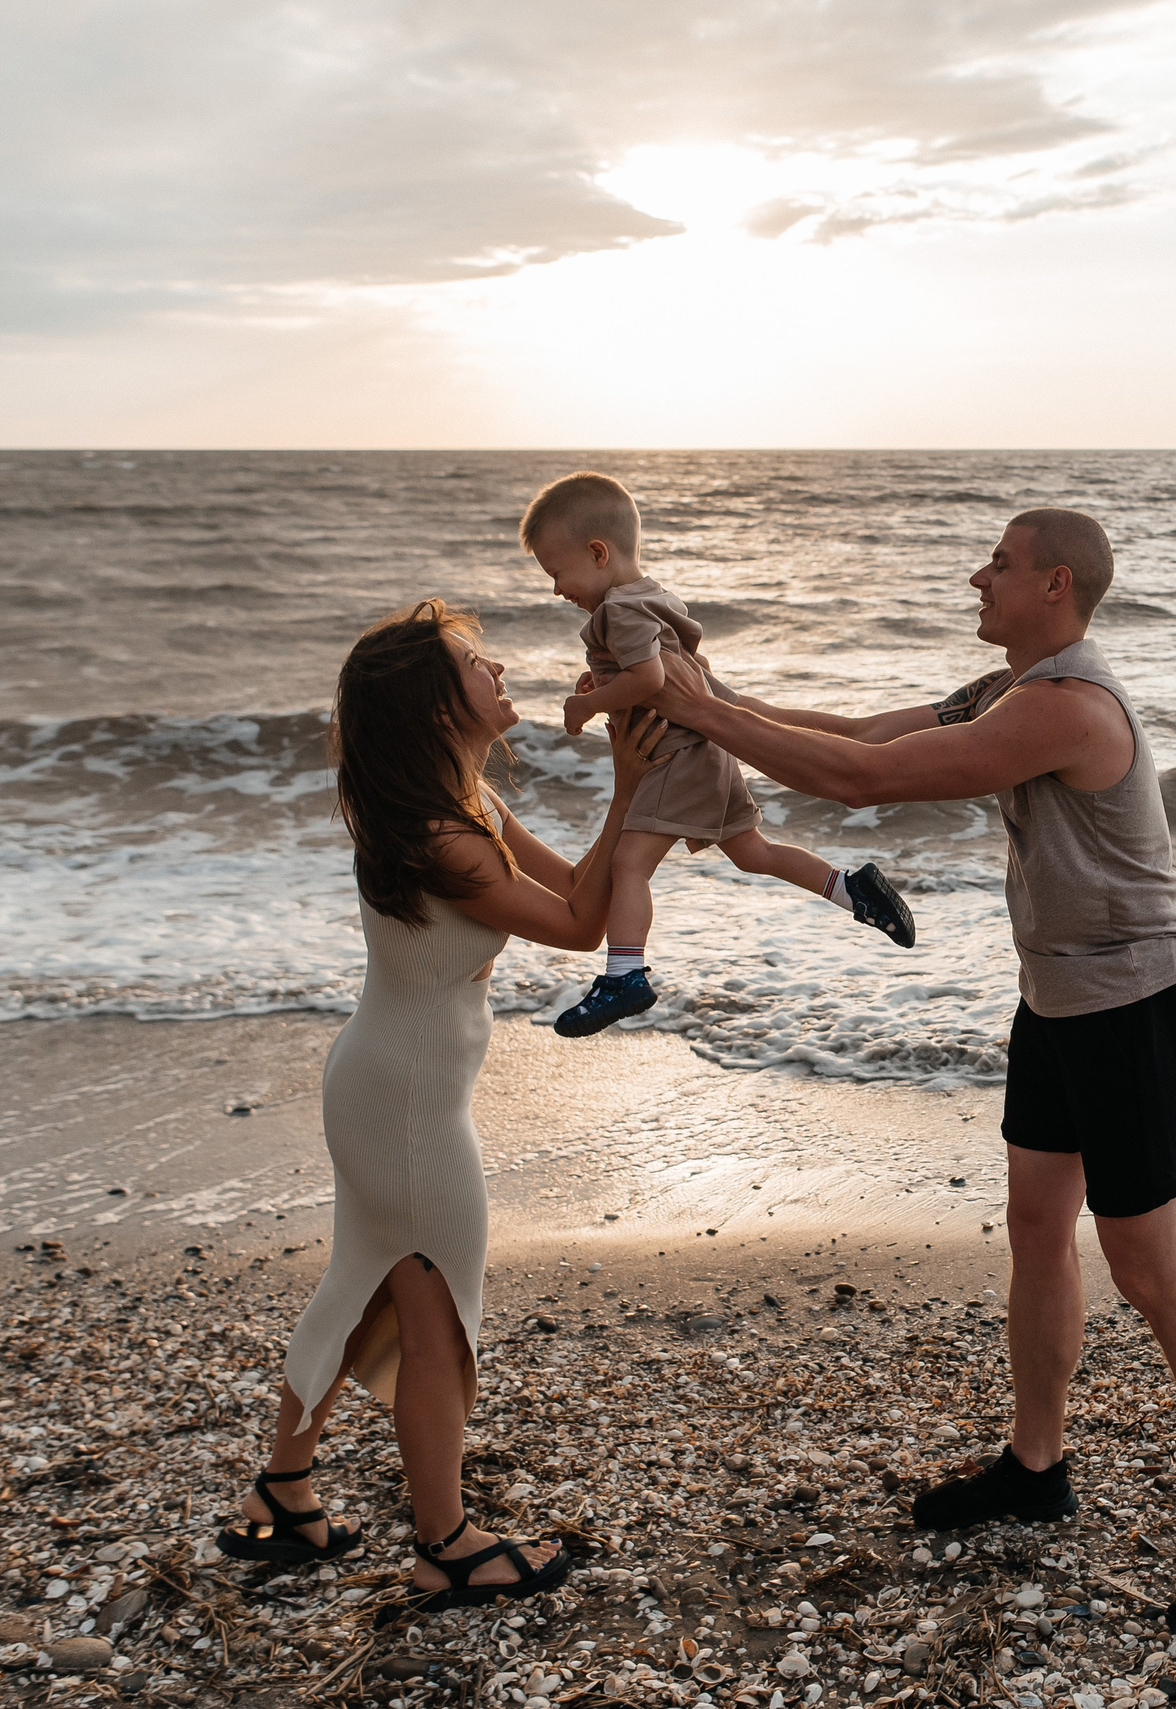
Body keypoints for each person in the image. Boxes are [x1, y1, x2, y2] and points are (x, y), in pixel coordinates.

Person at [649, 509, 1176, 1638]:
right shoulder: (1003, 690)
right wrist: (717, 696)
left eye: (997, 564)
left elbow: (864, 783)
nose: (977, 575)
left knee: (1152, 1273)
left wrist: (699, 711)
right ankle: (1036, 1463)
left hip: (1129, 999)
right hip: (1055, 993)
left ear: (1053, 584)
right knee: (1035, 1226)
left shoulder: (1066, 707)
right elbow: (857, 728)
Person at [215, 597, 664, 1612]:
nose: (497, 667)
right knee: (436, 1319)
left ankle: (285, 1496)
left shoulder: (465, 802)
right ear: (432, 704)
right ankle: (446, 1543)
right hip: (407, 1106)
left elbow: (580, 883)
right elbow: (586, 921)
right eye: (474, 660)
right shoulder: (441, 838)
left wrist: (636, 796)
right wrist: (630, 781)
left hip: (383, 1086)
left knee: (354, 1288)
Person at [518, 471, 917, 1038]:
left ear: (598, 552)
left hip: (672, 756)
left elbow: (649, 677)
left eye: (557, 572)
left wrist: (585, 706)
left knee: (629, 865)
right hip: (710, 754)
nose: (557, 589)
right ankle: (850, 887)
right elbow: (664, 672)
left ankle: (624, 974)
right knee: (753, 851)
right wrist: (602, 680)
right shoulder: (655, 597)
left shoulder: (617, 612)